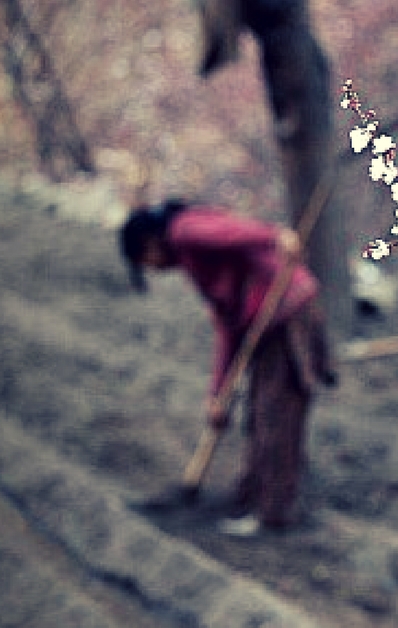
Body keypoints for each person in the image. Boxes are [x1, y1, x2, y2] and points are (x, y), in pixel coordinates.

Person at [120, 199, 335, 536]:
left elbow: (234, 232)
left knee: (274, 412)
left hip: (287, 310)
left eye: (145, 260)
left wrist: (276, 236)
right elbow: (226, 323)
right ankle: (253, 497)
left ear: (149, 243)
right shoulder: (194, 259)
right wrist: (218, 394)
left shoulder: (184, 231)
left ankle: (273, 512)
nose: (153, 268)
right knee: (262, 412)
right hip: (271, 321)